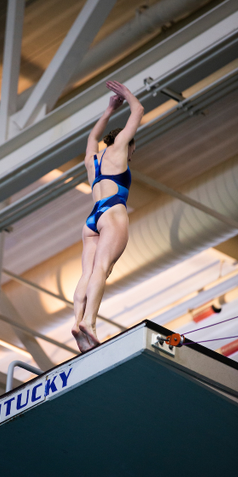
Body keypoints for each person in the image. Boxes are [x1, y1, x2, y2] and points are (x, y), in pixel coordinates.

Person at [71, 80, 144, 353]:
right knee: (102, 269)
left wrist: (109, 109)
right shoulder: (121, 148)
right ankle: (89, 322)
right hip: (113, 212)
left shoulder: (93, 159)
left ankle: (77, 321)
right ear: (127, 144)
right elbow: (138, 111)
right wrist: (126, 94)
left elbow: (91, 138)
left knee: (87, 273)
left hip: (92, 219)